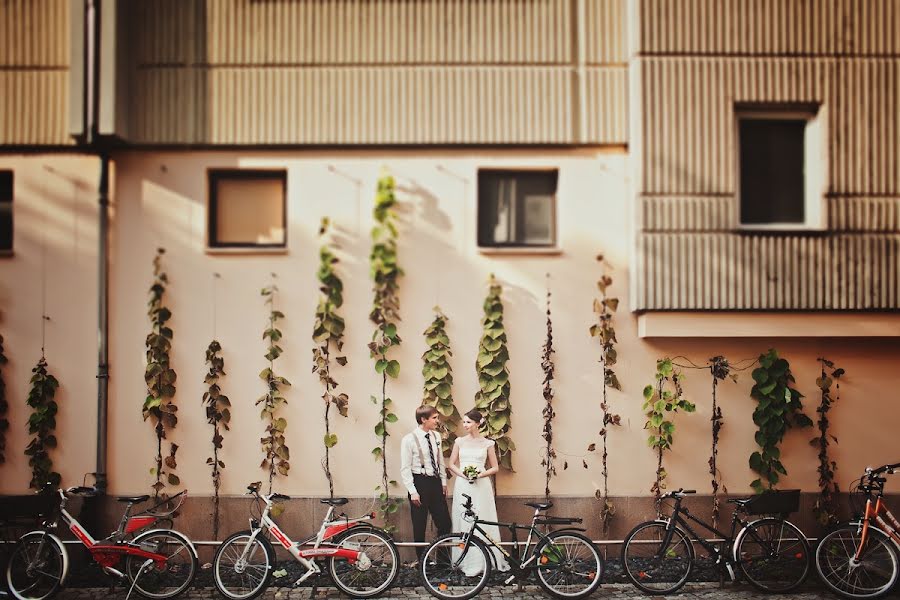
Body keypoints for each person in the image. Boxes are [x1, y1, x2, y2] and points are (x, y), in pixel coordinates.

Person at [448, 409, 509, 575]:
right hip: (463, 484)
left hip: (481, 485)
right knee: (465, 519)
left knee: (482, 519)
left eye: (468, 422)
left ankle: (485, 560)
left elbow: (495, 467)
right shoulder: (459, 441)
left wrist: (478, 475)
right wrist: (464, 475)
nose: (465, 425)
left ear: (477, 423)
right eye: (464, 422)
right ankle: (465, 560)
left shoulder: (488, 443)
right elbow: (452, 464)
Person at [400, 405, 452, 563]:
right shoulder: (408, 439)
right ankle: (422, 561)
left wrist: (443, 482)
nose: (437, 421)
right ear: (423, 419)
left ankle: (443, 562)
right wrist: (413, 491)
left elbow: (440, 461)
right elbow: (405, 468)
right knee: (419, 524)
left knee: (444, 522)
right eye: (434, 418)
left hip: (435, 482)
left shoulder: (436, 436)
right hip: (419, 483)